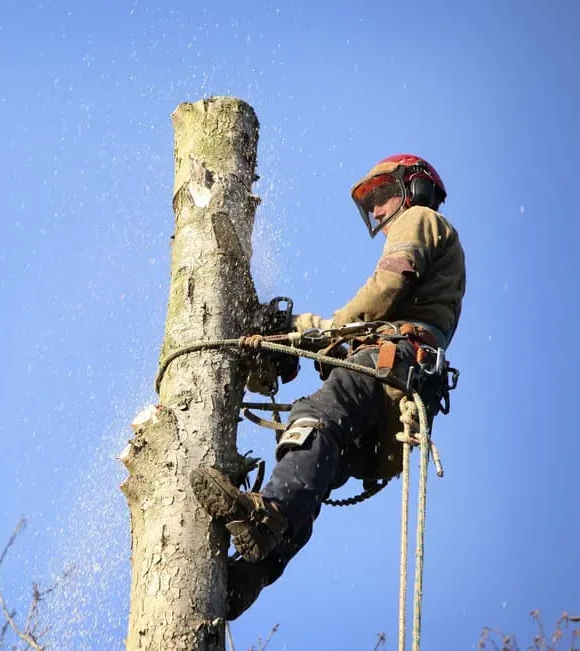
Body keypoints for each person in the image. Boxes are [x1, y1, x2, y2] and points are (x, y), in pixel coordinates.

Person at [191, 154, 467, 619]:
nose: (378, 212)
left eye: (384, 197)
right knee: (318, 463)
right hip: (393, 410)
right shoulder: (428, 280)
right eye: (371, 204)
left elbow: (386, 286)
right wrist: (294, 332)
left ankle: (266, 519)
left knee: (312, 418)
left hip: (391, 366)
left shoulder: (421, 219)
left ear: (415, 189)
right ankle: (253, 574)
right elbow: (357, 325)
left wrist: (333, 330)